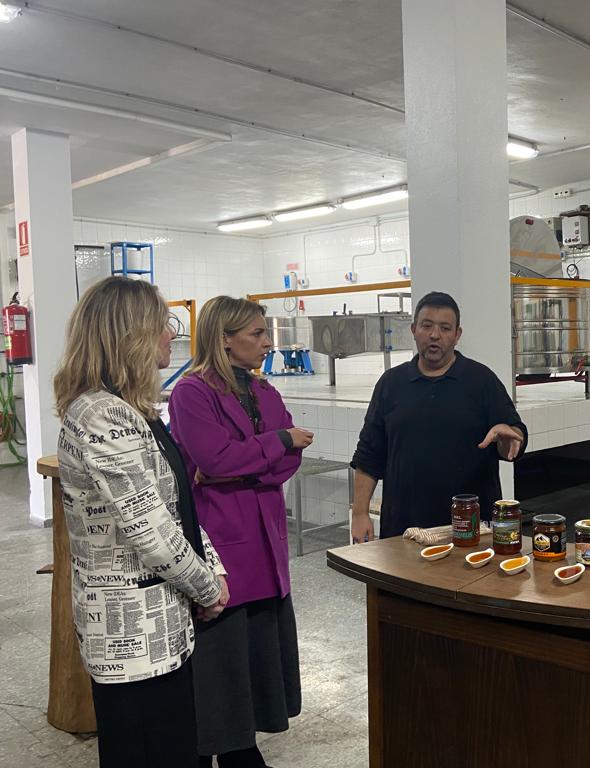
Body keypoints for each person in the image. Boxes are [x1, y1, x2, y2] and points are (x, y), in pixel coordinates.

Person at [54, 277, 228, 768]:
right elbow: (148, 529)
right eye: (162, 325)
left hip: (163, 626)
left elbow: (176, 505)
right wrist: (207, 588)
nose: (171, 335)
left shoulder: (136, 411)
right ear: (128, 335)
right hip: (131, 641)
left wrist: (213, 569)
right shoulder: (101, 416)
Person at [168, 296, 312, 768]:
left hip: (266, 543)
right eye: (256, 334)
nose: (268, 342)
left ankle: (244, 745)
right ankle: (229, 751)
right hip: (224, 543)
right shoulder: (192, 393)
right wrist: (275, 443)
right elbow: (216, 458)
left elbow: (287, 461)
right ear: (224, 339)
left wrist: (243, 465)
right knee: (223, 661)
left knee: (258, 655)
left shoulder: (264, 392)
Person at [350, 291, 528, 541]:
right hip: (403, 529)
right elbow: (369, 454)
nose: (435, 335)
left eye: (445, 328)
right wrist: (359, 514)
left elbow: (513, 434)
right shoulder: (391, 384)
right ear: (414, 329)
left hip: (470, 531)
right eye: (427, 326)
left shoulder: (481, 381)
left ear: (457, 335)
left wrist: (510, 440)